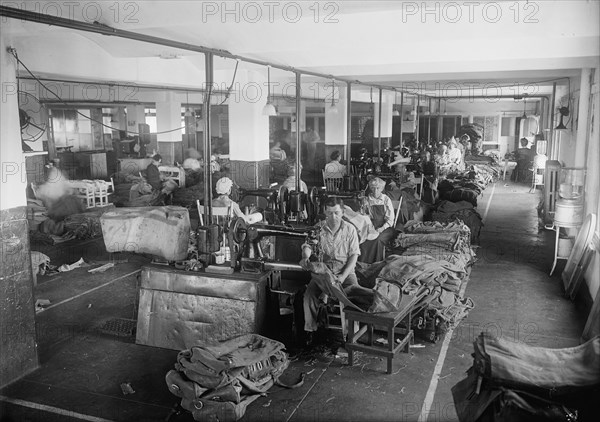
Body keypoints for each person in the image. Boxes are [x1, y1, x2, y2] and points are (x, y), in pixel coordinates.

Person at [300, 197, 366, 345]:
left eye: (336, 213)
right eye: (329, 213)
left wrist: (343, 276)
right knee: (309, 296)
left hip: (346, 271)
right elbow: (308, 245)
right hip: (324, 272)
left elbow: (354, 256)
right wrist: (305, 257)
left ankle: (351, 336)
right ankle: (311, 331)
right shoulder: (318, 228)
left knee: (350, 298)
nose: (333, 217)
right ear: (325, 213)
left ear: (342, 212)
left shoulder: (350, 229)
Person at [358, 177, 397, 264]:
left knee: (377, 240)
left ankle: (376, 264)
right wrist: (363, 207)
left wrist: (381, 229)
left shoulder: (386, 199)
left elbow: (390, 220)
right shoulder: (367, 199)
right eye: (373, 188)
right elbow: (364, 216)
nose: (375, 190)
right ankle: (363, 264)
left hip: (386, 227)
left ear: (382, 188)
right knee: (363, 240)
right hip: (371, 225)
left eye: (378, 188)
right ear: (370, 188)